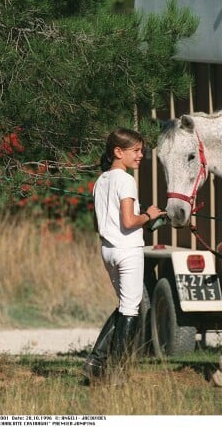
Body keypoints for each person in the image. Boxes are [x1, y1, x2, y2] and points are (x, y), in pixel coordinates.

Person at [82, 128, 165, 384]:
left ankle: (95, 363)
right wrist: (149, 216)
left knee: (125, 306)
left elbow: (99, 225)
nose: (141, 155)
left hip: (107, 250)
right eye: (136, 151)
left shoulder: (100, 181)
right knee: (131, 309)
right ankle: (117, 373)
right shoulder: (126, 180)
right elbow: (129, 221)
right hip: (128, 251)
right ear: (119, 152)